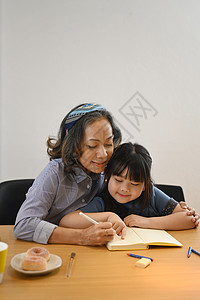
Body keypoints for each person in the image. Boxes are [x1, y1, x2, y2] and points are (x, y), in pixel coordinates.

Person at [14, 103, 123, 245]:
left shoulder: (103, 172)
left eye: (108, 144)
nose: (103, 154)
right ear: (74, 146)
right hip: (46, 252)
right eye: (92, 146)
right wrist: (82, 236)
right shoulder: (54, 173)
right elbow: (23, 225)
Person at [59, 142, 199, 233]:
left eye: (134, 184)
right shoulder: (103, 199)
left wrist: (144, 222)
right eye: (118, 180)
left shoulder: (150, 194)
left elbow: (189, 219)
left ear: (145, 184)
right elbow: (66, 221)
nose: (124, 189)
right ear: (107, 175)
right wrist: (109, 216)